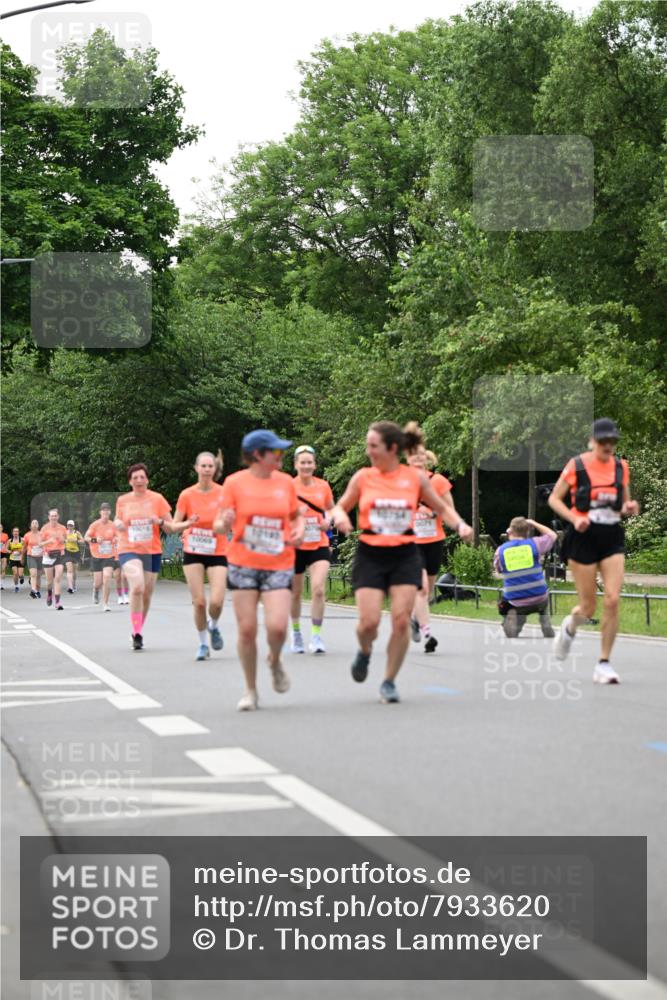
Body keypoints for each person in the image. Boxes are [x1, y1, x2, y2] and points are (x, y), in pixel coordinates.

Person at [331, 421, 473, 704]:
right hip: (371, 553)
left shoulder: (414, 479)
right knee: (368, 624)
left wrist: (460, 526)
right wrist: (341, 517)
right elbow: (340, 505)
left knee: (399, 622)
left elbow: (442, 507)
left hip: (405, 555)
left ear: (392, 448)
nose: (368, 451)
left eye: (373, 446)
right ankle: (365, 651)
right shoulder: (363, 477)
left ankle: (388, 681)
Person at [214, 430, 304, 711]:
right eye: (275, 452)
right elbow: (218, 525)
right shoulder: (234, 483)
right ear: (257, 455)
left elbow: (296, 515)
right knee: (247, 630)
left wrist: (299, 529)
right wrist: (224, 521)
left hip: (279, 562)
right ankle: (250, 690)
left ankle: (275, 660)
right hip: (243, 563)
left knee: (277, 627)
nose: (281, 457)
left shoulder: (286, 483)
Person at [548, 418, 639, 684]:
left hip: (611, 536)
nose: (608, 446)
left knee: (612, 599)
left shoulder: (621, 467)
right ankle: (569, 627)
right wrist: (574, 519)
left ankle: (604, 663)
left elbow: (622, 504)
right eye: (603, 442)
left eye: (612, 441)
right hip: (583, 536)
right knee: (588, 607)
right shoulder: (576, 465)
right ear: (592, 441)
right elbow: (554, 498)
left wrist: (629, 508)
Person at [114, 464, 193, 650]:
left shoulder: (157, 499)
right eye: (135, 478)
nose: (139, 480)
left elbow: (171, 526)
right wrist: (118, 523)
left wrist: (158, 521)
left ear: (147, 480)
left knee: (147, 593)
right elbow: (118, 519)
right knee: (137, 587)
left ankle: (138, 630)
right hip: (129, 548)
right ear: (130, 481)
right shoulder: (123, 500)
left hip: (152, 550)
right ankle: (137, 632)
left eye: (142, 477)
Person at [174, 451, 228, 661]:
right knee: (199, 602)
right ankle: (203, 644)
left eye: (210, 466)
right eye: (203, 466)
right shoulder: (187, 495)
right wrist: (186, 525)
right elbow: (174, 524)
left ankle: (213, 626)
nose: (206, 469)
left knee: (216, 601)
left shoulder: (224, 493)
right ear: (196, 468)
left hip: (217, 550)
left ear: (215, 469)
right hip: (194, 551)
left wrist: (222, 526)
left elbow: (228, 523)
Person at [405, 430, 454, 653]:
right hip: (411, 543)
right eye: (413, 456)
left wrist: (436, 513)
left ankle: (415, 619)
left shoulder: (439, 481)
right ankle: (427, 634)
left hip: (434, 540)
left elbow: (450, 510)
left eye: (420, 456)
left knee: (429, 589)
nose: (417, 460)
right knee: (422, 589)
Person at [289, 445, 335, 654]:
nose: (306, 466)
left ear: (314, 464)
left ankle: (316, 635)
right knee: (295, 593)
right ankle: (296, 632)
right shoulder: (288, 487)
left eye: (309, 462)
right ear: (296, 465)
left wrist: (329, 521)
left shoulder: (323, 486)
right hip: (295, 545)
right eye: (302, 462)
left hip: (319, 542)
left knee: (318, 589)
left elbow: (331, 510)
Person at [494, 517, 557, 638]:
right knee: (544, 600)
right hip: (539, 597)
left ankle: (515, 621)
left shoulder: (501, 551)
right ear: (527, 531)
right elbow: (552, 535)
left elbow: (498, 570)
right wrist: (534, 523)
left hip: (515, 600)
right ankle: (545, 620)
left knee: (504, 604)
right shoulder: (535, 544)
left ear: (510, 532)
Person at [85, 503, 118, 612]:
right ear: (100, 513)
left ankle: (105, 604)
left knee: (107, 577)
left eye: (107, 512)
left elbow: (118, 536)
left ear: (109, 513)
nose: (105, 514)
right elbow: (86, 537)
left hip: (109, 555)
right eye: (103, 512)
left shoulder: (113, 525)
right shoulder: (95, 525)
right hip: (97, 555)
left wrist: (115, 539)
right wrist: (95, 540)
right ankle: (95, 590)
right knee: (98, 582)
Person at [39, 509, 68, 609]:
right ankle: (49, 594)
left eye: (55, 516)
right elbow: (39, 543)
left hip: (59, 555)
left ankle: (58, 602)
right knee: (49, 581)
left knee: (58, 579)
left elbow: (65, 541)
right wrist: (48, 541)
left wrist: (62, 539)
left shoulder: (62, 528)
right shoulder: (44, 528)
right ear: (49, 517)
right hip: (48, 555)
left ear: (58, 517)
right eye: (52, 516)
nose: (54, 517)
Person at [23, 519, 44, 598]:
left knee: (38, 575)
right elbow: (24, 547)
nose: (35, 524)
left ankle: (37, 591)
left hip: (40, 557)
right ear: (30, 526)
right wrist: (22, 557)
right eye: (33, 523)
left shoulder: (42, 534)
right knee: (33, 574)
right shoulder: (27, 535)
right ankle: (33, 590)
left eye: (36, 523)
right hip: (31, 556)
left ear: (38, 526)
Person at [64, 520, 85, 593]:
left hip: (76, 552)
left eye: (71, 525)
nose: (70, 527)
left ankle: (74, 584)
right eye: (68, 525)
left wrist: (76, 541)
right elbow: (60, 540)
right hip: (67, 552)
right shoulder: (64, 533)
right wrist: (65, 540)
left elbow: (83, 541)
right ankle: (70, 587)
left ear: (73, 526)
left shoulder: (77, 533)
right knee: (69, 570)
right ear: (67, 526)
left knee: (74, 571)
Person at [0, 524, 8, 589]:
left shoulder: (5, 535)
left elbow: (7, 544)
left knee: (3, 568)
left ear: (2, 528)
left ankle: (1, 584)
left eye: (1, 527)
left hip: (3, 553)